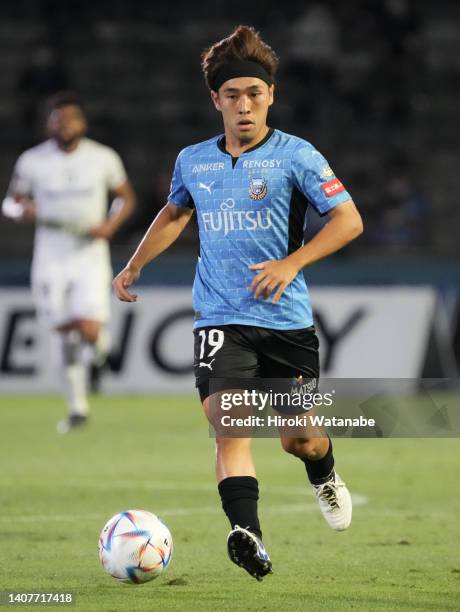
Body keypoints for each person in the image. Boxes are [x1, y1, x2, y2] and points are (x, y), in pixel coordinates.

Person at [113, 25, 363, 581]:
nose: (244, 106)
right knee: (227, 419)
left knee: (298, 436)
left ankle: (322, 470)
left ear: (271, 95)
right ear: (216, 100)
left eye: (254, 93)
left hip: (285, 323)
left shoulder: (297, 156)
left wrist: (292, 263)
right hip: (220, 317)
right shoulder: (193, 161)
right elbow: (175, 214)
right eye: (233, 95)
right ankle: (248, 534)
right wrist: (135, 264)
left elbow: (349, 220)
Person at [2, 91, 136, 433]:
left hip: (89, 255)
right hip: (50, 257)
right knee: (62, 332)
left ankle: (101, 353)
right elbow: (11, 203)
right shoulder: (33, 161)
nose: (65, 125)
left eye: (71, 119)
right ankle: (78, 407)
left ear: (83, 123)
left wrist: (110, 225)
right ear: (49, 124)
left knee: (88, 329)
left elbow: (125, 199)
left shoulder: (102, 157)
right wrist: (23, 211)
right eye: (58, 119)